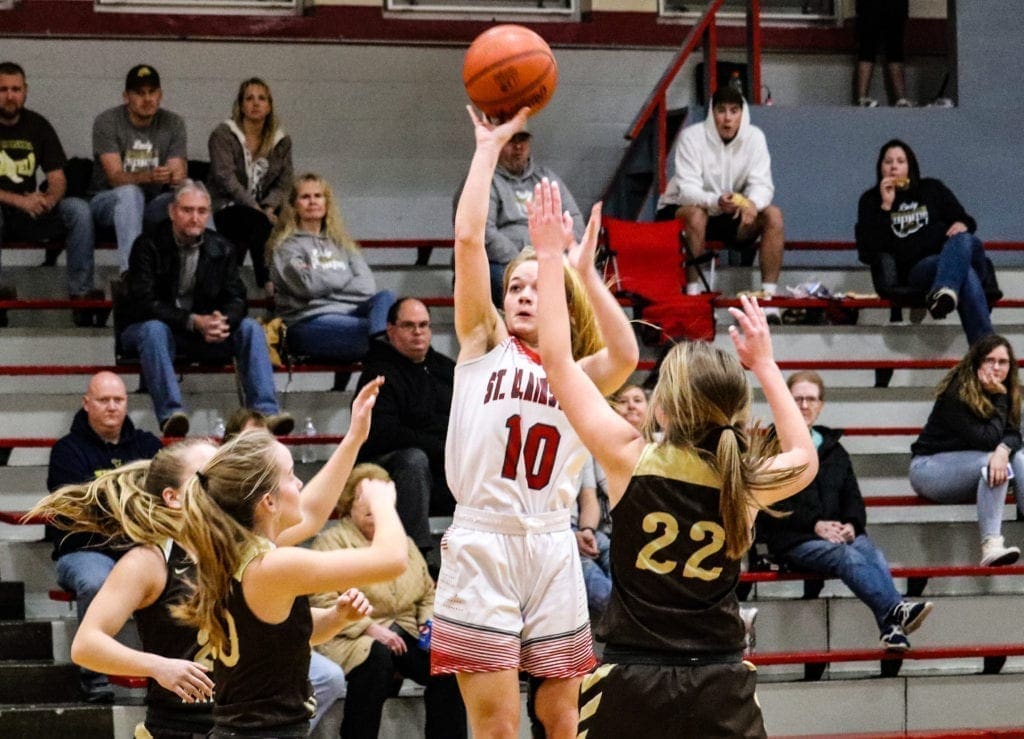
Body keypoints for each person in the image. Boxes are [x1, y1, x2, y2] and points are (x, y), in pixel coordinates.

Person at [533, 171, 817, 735]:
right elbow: (804, 455)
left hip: (632, 679)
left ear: (663, 408)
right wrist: (764, 363)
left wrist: (559, 264)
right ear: (734, 410)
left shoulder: (630, 458)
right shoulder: (747, 476)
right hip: (718, 680)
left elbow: (558, 365)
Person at [431, 107, 638, 739]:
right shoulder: (482, 343)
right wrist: (486, 151)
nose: (523, 293)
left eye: (533, 285)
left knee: (560, 717)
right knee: (495, 725)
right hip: (484, 540)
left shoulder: (573, 370)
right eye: (514, 285)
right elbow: (469, 241)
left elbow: (627, 354)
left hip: (551, 543)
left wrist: (581, 275)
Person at [35, 416, 376, 738]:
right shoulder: (150, 560)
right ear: (173, 498)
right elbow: (86, 645)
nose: (219, 484)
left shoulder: (238, 546)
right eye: (205, 477)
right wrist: (157, 666)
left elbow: (312, 515)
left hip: (235, 726)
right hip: (178, 727)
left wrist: (354, 438)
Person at [168, 417, 406, 738]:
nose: (299, 485)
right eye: (292, 476)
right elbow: (390, 561)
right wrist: (382, 503)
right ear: (268, 501)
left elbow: (281, 638)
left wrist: (336, 618)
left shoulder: (235, 553)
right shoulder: (273, 566)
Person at [756, 370, 933, 651]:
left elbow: (853, 498)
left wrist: (851, 523)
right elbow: (770, 505)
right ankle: (894, 613)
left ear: (821, 405)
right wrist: (815, 525)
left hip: (835, 534)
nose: (804, 406)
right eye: (797, 399)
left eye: (811, 399)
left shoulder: (835, 450)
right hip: (792, 540)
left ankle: (890, 627)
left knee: (870, 550)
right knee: (845, 554)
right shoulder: (768, 448)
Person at [120, 179, 293, 438]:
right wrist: (192, 320)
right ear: (172, 212)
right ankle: (171, 416)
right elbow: (144, 303)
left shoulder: (222, 247)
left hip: (204, 332)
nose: (194, 218)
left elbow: (238, 299)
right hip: (153, 330)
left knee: (249, 328)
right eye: (187, 210)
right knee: (153, 330)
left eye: (201, 211)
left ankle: (266, 413)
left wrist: (221, 320)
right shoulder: (147, 245)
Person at [311, 463, 467, 739]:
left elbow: (427, 592)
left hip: (405, 630)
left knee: (446, 664)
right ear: (349, 504)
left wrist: (427, 621)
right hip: (351, 636)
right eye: (363, 498)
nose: (372, 506)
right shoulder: (331, 541)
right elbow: (323, 600)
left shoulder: (402, 542)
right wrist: (368, 627)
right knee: (376, 660)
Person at [44, 370, 163, 702]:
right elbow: (77, 510)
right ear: (87, 404)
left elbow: (164, 498)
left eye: (119, 400)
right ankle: (94, 673)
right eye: (104, 400)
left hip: (137, 546)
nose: (112, 407)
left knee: (175, 578)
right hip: (84, 550)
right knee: (98, 583)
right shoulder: (66, 451)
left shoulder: (149, 445)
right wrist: (131, 510)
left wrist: (113, 506)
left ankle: (166, 669)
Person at [856, 139, 997, 346]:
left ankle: (943, 292)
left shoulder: (932, 188)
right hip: (919, 270)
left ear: (910, 166)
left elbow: (966, 220)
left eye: (901, 161)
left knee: (965, 239)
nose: (894, 166)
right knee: (966, 274)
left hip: (952, 253)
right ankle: (986, 351)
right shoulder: (870, 201)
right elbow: (868, 250)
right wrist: (886, 207)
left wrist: (961, 223)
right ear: (880, 167)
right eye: (888, 162)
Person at [656, 86, 784, 311]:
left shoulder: (755, 137)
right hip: (681, 209)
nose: (727, 118)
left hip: (729, 213)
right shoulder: (691, 137)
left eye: (734, 111)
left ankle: (768, 300)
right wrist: (716, 200)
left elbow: (763, 184)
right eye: (721, 110)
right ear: (712, 113)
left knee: (773, 215)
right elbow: (687, 191)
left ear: (742, 114)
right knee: (696, 215)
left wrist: (752, 203)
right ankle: (693, 294)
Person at [910, 335, 1024, 566]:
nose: (996, 367)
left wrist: (1003, 450)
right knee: (993, 462)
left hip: (974, 466)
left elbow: (1013, 434)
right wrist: (999, 398)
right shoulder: (957, 393)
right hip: (930, 469)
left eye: (1003, 362)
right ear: (976, 363)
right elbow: (987, 439)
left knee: (1018, 458)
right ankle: (991, 544)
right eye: (989, 360)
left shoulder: (1008, 391)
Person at [0, 61, 100, 325]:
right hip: (5, 209)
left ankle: (81, 295)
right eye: (3, 89)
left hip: (31, 210)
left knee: (78, 209)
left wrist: (49, 199)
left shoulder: (38, 125)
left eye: (15, 89)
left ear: (25, 91)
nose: (10, 96)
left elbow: (57, 177)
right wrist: (19, 200)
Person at [354, 297, 455, 553]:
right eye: (409, 325)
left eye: (424, 325)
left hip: (443, 465)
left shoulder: (447, 369)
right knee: (413, 460)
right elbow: (383, 434)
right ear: (391, 330)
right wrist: (441, 446)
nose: (418, 332)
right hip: (390, 467)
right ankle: (415, 554)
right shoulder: (376, 373)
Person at [268, 172, 395, 362]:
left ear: (327, 202)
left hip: (352, 316)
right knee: (393, 335)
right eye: (305, 197)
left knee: (387, 297)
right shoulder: (286, 248)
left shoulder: (342, 243)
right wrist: (343, 275)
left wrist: (323, 282)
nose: (312, 202)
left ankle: (381, 351)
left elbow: (366, 287)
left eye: (318, 196)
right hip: (308, 322)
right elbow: (307, 286)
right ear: (294, 205)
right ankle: (383, 355)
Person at [89, 64, 187, 274]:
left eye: (152, 92)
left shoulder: (173, 122)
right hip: (108, 202)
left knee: (193, 193)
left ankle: (206, 276)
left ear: (160, 95)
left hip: (151, 205)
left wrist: (174, 176)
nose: (147, 99)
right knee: (130, 193)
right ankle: (132, 276)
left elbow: (178, 173)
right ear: (126, 97)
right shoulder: (107, 122)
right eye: (140, 93)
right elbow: (115, 178)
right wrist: (149, 176)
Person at [471, 125, 583, 306]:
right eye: (511, 141)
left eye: (522, 140)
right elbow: (485, 232)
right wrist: (522, 262)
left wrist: (554, 254)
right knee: (501, 279)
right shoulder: (486, 181)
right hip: (503, 262)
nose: (518, 147)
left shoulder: (547, 177)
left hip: (549, 257)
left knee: (589, 278)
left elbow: (574, 219)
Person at [208, 77, 293, 295]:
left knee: (297, 212)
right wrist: (256, 208)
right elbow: (224, 178)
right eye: (249, 98)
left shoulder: (281, 140)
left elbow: (284, 183)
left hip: (264, 209)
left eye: (262, 99)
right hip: (227, 206)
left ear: (269, 105)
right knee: (255, 220)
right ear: (241, 105)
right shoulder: (223, 134)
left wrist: (269, 207)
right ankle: (267, 283)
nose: (256, 104)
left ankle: (298, 281)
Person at [575, 383, 648, 622]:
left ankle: (640, 621)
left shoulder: (660, 447)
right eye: (623, 400)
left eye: (638, 400)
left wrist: (586, 530)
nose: (630, 406)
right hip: (599, 534)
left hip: (637, 534)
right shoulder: (594, 445)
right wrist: (585, 531)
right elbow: (595, 496)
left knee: (639, 579)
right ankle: (642, 622)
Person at [853, 0, 911, 107]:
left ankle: (862, 97)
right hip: (893, 6)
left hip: (870, 6)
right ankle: (901, 98)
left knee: (867, 49)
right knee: (894, 50)